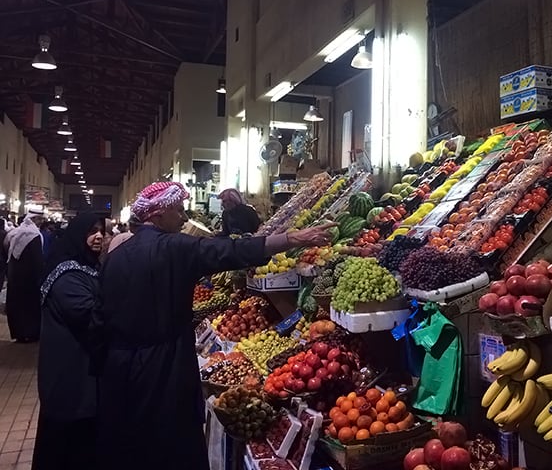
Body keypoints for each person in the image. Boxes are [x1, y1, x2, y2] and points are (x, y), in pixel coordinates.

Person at [94, 181, 334, 470]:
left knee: (131, 441)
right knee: (172, 441)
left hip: (120, 367)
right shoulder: (173, 247)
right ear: (157, 214)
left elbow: (100, 314)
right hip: (164, 364)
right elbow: (229, 250)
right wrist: (291, 239)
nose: (184, 218)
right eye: (179, 210)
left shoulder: (115, 257)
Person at [33, 214, 105, 470]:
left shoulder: (88, 268)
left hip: (80, 374)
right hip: (70, 377)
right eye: (91, 231)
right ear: (77, 235)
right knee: (66, 450)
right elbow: (88, 315)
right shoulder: (68, 276)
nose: (98, 236)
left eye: (101, 231)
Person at [4, 209, 45, 342]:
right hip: (29, 278)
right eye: (39, 219)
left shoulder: (15, 233)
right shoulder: (34, 235)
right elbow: (37, 259)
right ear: (34, 219)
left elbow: (6, 250)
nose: (42, 222)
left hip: (14, 275)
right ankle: (30, 333)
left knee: (16, 305)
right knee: (29, 306)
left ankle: (19, 334)